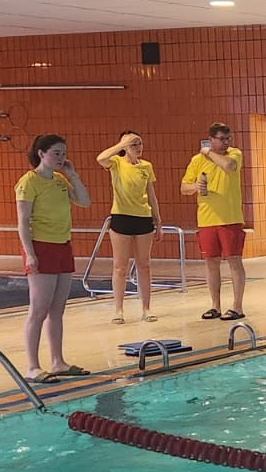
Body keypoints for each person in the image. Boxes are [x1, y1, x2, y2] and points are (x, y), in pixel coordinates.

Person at [16, 133, 91, 383]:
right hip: (41, 246)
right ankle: (32, 366)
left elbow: (84, 201)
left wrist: (73, 175)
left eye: (63, 153)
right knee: (39, 309)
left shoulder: (60, 180)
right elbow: (22, 222)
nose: (61, 158)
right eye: (56, 153)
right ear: (41, 154)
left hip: (63, 245)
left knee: (57, 309)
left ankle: (57, 362)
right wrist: (30, 254)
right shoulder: (29, 182)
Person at [96, 130, 162, 324]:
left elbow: (151, 195)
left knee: (144, 265)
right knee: (120, 267)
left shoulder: (146, 166)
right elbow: (100, 158)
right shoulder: (116, 163)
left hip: (143, 217)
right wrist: (121, 145)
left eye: (139, 143)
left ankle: (146, 308)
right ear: (125, 147)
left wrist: (158, 220)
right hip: (122, 217)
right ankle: (119, 310)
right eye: (133, 144)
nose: (138, 147)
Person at [182, 121, 246, 320]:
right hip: (207, 219)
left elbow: (229, 166)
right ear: (211, 139)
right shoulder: (197, 160)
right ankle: (215, 306)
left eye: (228, 138)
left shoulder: (234, 154)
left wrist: (208, 152)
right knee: (211, 262)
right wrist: (196, 186)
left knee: (234, 260)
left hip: (230, 218)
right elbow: (184, 187)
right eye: (222, 139)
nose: (226, 142)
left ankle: (237, 306)